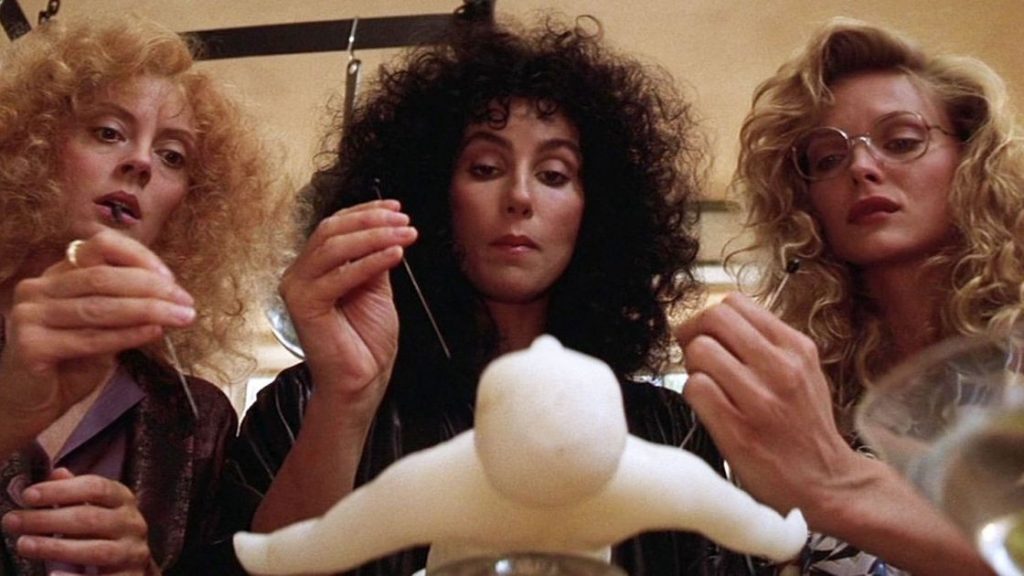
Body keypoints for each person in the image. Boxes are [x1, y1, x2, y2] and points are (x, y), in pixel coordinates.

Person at [220, 13, 751, 576]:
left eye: (554, 174)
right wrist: (345, 403)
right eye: (486, 167)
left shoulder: (667, 430)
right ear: (431, 193)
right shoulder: (309, 406)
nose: (520, 196)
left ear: (598, 210)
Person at [675, 17, 1022, 575]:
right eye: (828, 159)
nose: (862, 167)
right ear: (806, 204)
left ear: (970, 158)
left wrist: (838, 481)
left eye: (902, 141)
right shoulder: (809, 399)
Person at [0, 14, 287, 575]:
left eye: (172, 156)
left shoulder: (194, 419)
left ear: (189, 207)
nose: (140, 163)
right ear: (33, 148)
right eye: (108, 132)